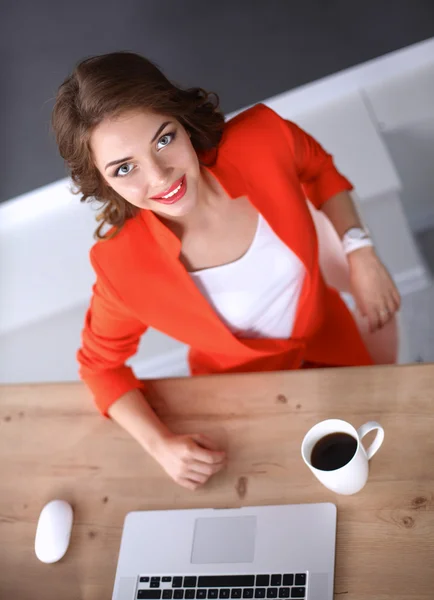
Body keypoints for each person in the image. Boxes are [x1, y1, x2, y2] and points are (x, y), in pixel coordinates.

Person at [52, 52, 400, 490]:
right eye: (125, 168)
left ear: (180, 118)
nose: (160, 178)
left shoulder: (263, 140)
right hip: (237, 401)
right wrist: (160, 445)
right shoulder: (121, 267)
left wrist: (360, 251)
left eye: (163, 140)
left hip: (335, 345)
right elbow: (100, 368)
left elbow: (320, 170)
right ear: (103, 183)